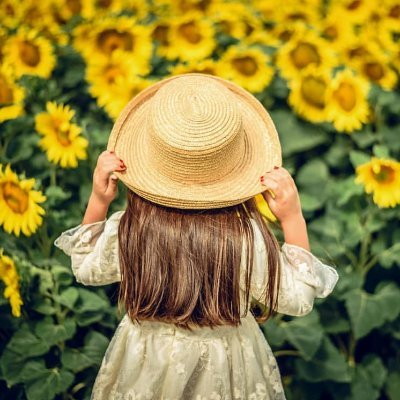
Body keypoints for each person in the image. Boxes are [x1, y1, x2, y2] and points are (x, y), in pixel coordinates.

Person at [54, 73, 339, 400]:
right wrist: (292, 218)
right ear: (237, 170)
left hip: (145, 360)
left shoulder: (131, 228)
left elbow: (85, 267)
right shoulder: (244, 240)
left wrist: (98, 200)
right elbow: (298, 299)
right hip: (227, 364)